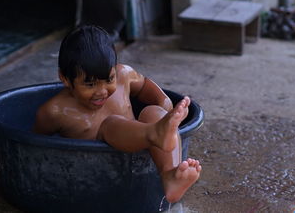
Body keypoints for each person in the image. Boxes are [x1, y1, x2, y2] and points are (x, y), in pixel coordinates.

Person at [33, 25, 201, 203]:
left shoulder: (123, 75)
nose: (102, 91)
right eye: (90, 84)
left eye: (109, 79)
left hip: (139, 147)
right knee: (111, 124)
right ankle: (156, 133)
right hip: (97, 173)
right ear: (65, 79)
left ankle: (169, 174)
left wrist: (165, 105)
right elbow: (35, 146)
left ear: (115, 69)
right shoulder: (55, 111)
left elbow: (144, 86)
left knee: (154, 112)